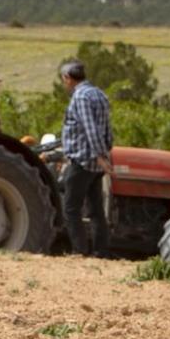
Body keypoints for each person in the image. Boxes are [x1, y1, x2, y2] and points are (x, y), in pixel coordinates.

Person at [57, 60, 112, 255]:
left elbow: (91, 129)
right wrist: (106, 154)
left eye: (64, 80)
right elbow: (107, 129)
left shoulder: (80, 97)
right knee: (96, 210)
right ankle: (100, 252)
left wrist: (98, 155)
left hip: (83, 161)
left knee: (71, 209)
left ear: (68, 78)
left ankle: (79, 251)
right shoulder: (100, 95)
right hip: (96, 163)